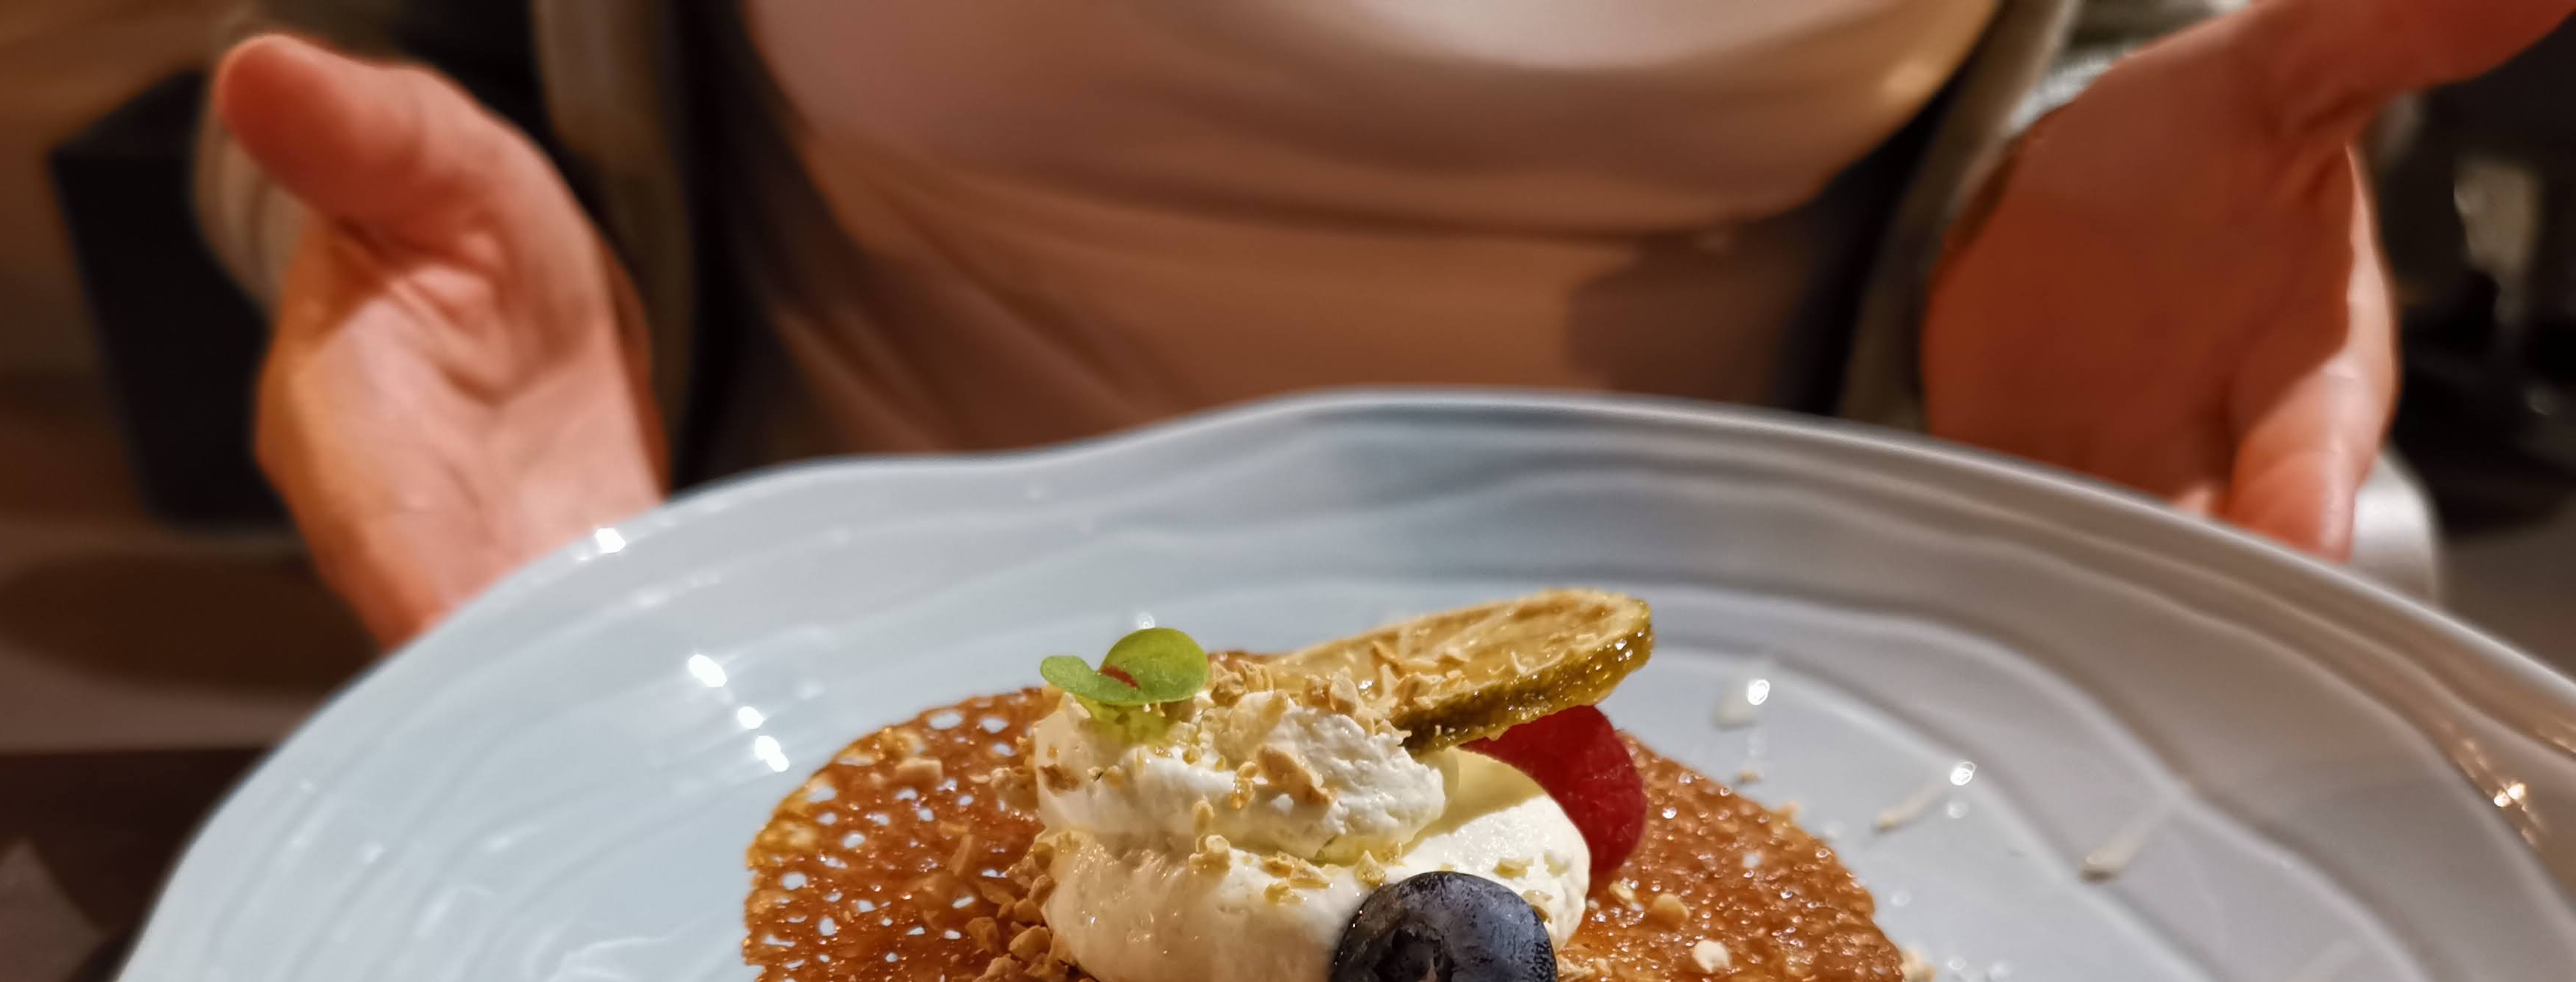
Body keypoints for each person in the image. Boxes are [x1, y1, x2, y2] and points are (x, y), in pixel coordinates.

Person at [192, 0, 2576, 648]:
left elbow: (2142, 39)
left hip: (1755, 698)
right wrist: (421, 250)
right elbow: (342, 70)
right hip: (836, 676)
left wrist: (2054, 199)